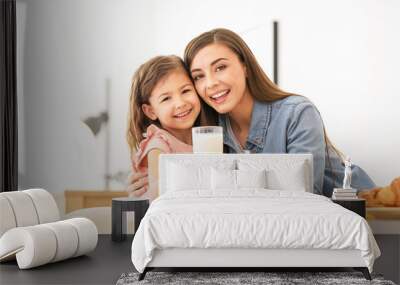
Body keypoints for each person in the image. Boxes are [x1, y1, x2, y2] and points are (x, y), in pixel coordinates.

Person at [183, 28, 375, 196]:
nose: (210, 83)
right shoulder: (209, 132)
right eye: (199, 76)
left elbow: (304, 198)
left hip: (367, 213)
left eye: (220, 67)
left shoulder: (297, 113)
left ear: (245, 67)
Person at [126, 55, 214, 200]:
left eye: (185, 91)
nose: (180, 103)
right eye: (166, 98)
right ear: (151, 111)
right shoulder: (158, 145)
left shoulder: (207, 138)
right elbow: (159, 198)